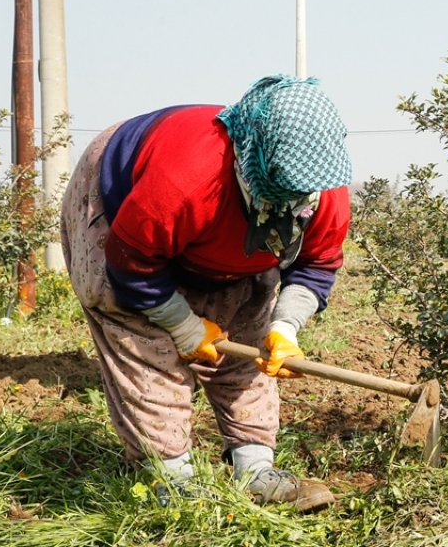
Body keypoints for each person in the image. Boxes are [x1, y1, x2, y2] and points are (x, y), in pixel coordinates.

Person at [61, 75, 353, 512]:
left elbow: (316, 266)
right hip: (122, 216)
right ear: (253, 157)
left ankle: (255, 470)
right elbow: (130, 263)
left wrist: (286, 328)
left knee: (250, 346)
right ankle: (171, 480)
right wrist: (183, 324)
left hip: (214, 240)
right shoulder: (186, 178)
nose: (294, 203)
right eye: (281, 190)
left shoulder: (324, 190)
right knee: (148, 348)